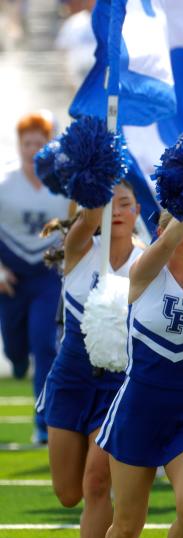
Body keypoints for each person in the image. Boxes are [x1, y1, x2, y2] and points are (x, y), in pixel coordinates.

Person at [96, 212, 183, 538]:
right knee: (127, 527)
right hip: (138, 412)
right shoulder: (144, 272)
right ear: (164, 230)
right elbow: (164, 245)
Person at [36, 183, 141, 538]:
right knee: (67, 493)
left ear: (137, 211)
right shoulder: (80, 250)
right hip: (71, 379)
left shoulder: (147, 262)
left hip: (116, 384)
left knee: (97, 482)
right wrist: (100, 174)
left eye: (125, 204)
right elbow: (88, 219)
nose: (117, 211)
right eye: (109, 204)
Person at [0, 111, 71, 444]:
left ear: (49, 145)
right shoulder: (4, 183)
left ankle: (44, 424)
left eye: (38, 143)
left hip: (47, 275)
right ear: (19, 145)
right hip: (11, 277)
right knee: (15, 346)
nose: (32, 149)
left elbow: (78, 228)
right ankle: (16, 360)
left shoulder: (63, 185)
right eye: (27, 143)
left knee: (45, 344)